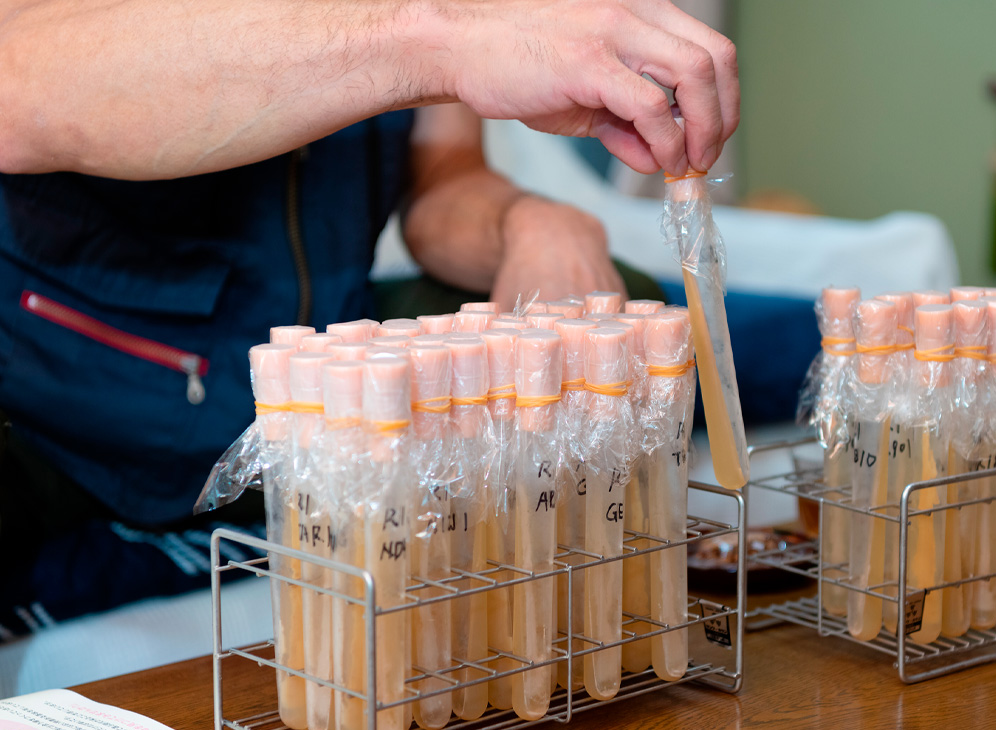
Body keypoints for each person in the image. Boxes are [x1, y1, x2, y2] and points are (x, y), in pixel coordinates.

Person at [0, 0, 739, 636]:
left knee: (660, 322)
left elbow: (443, 187)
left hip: (321, 388)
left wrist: (535, 223)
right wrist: (445, 39)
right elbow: (22, 78)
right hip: (63, 408)